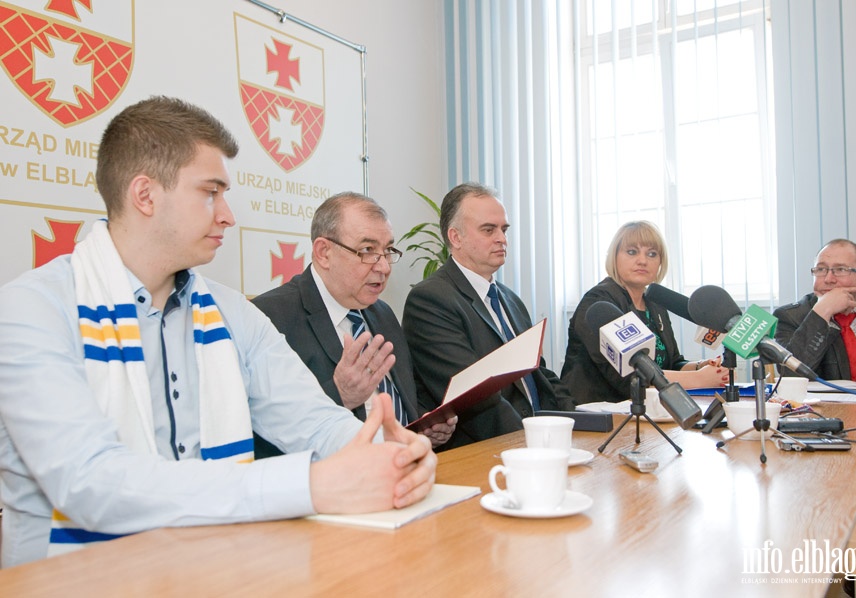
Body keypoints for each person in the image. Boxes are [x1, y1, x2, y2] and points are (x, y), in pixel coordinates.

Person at [0, 97, 436, 568]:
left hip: (219, 571)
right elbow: (89, 483)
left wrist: (393, 452)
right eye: (211, 192)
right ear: (145, 195)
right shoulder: (32, 309)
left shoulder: (231, 312)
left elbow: (311, 420)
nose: (227, 215)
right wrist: (309, 486)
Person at [252, 192, 456, 454]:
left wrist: (425, 426)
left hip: (406, 467)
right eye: (368, 250)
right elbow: (263, 431)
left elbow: (406, 400)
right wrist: (340, 394)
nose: (383, 266)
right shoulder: (270, 317)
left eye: (387, 250)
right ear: (324, 253)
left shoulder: (382, 313)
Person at [402, 183, 574, 450]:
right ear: (455, 238)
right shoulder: (431, 299)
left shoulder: (511, 300)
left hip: (540, 440)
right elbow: (475, 399)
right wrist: (534, 447)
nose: (502, 239)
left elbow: (540, 375)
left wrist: (578, 422)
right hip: (487, 453)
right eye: (488, 229)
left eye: (503, 230)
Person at [561, 221, 728, 404]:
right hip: (596, 417)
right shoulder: (599, 303)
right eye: (632, 252)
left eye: (652, 254)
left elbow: (672, 363)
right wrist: (700, 379)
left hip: (647, 413)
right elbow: (632, 378)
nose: (643, 260)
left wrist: (700, 367)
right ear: (614, 257)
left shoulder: (655, 303)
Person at [773, 238, 856, 381]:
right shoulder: (790, 317)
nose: (828, 279)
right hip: (824, 404)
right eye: (821, 269)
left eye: (840, 270)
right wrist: (822, 313)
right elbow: (790, 375)